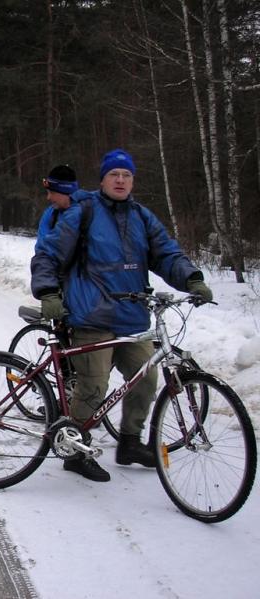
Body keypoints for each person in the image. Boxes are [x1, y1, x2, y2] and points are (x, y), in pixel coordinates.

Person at [30, 149, 212, 482]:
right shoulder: (83, 212)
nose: (120, 180)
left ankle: (129, 442)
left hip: (132, 319)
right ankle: (75, 451)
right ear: (102, 179)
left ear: (132, 181)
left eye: (126, 175)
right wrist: (48, 292)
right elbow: (48, 253)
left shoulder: (142, 217)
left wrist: (192, 278)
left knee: (146, 379)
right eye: (114, 174)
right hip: (91, 316)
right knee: (93, 387)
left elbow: (167, 253)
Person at [36, 164, 79, 241]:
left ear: (66, 192)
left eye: (52, 192)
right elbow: (42, 247)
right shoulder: (50, 214)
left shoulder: (88, 214)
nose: (48, 197)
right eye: (47, 193)